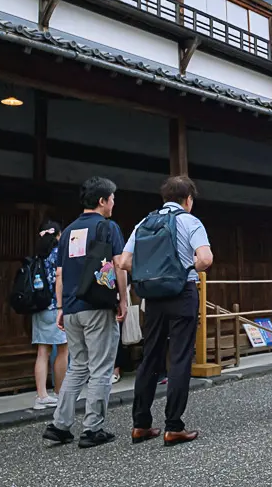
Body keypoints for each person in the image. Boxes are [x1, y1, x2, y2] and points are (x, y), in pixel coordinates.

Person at [117, 175, 212, 446]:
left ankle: (140, 425)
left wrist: (152, 272)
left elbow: (124, 262)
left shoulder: (144, 222)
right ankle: (173, 426)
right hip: (182, 292)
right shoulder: (190, 221)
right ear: (188, 200)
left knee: (150, 356)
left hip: (153, 297)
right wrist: (183, 268)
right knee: (180, 357)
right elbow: (205, 259)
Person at [42, 177, 128, 449]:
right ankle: (92, 428)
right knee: (102, 367)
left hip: (72, 307)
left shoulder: (67, 232)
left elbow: (60, 273)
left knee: (77, 366)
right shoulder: (108, 227)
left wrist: (60, 307)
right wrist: (123, 299)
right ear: (102, 201)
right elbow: (119, 265)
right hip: (98, 305)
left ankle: (60, 425)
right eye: (112, 198)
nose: (114, 203)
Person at [31, 221, 67, 410]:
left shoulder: (39, 256)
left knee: (42, 351)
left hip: (40, 306)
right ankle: (59, 392)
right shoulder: (58, 254)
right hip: (56, 306)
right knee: (63, 349)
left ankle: (41, 395)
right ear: (58, 235)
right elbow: (61, 277)